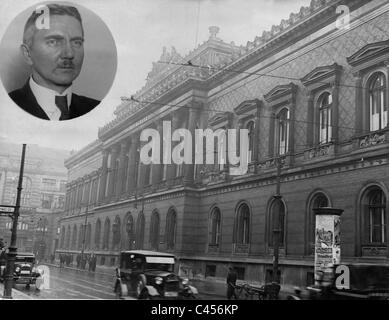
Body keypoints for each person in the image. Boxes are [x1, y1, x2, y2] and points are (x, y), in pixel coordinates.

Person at [8, 4, 100, 120]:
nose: (69, 54)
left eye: (76, 42)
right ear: (28, 54)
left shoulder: (96, 108)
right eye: (53, 42)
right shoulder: (6, 107)